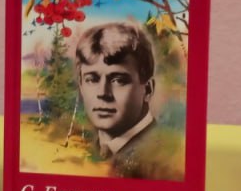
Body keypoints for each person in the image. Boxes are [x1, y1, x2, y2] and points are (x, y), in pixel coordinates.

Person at [75, 22, 183, 180]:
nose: (103, 93)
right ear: (81, 86)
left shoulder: (165, 161)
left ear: (148, 90)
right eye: (92, 79)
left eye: (119, 80)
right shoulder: (95, 148)